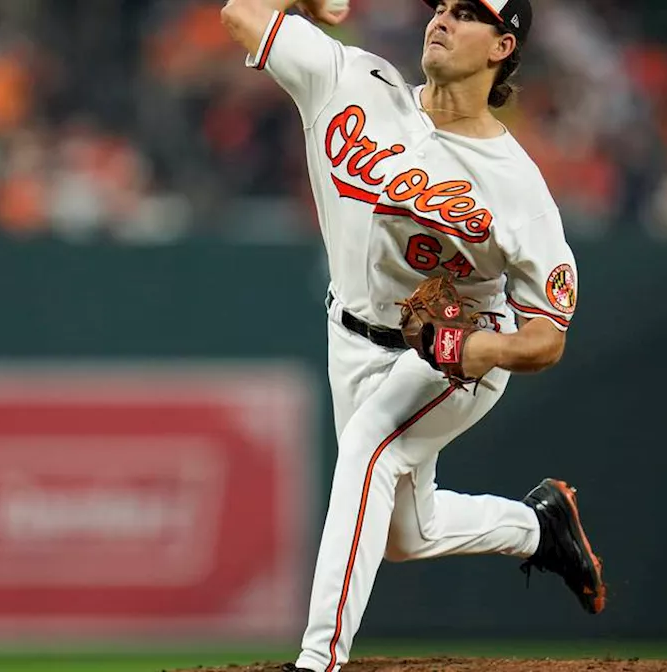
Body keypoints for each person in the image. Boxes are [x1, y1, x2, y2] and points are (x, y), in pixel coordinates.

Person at [219, 1, 607, 670]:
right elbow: (240, 11)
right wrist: (309, 5)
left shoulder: (518, 187)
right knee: (405, 531)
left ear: (501, 47)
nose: (442, 20)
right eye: (442, 8)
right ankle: (538, 527)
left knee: (372, 445)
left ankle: (319, 661)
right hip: (351, 335)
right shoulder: (347, 78)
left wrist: (472, 352)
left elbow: (547, 337)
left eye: (466, 13)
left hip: (458, 349)